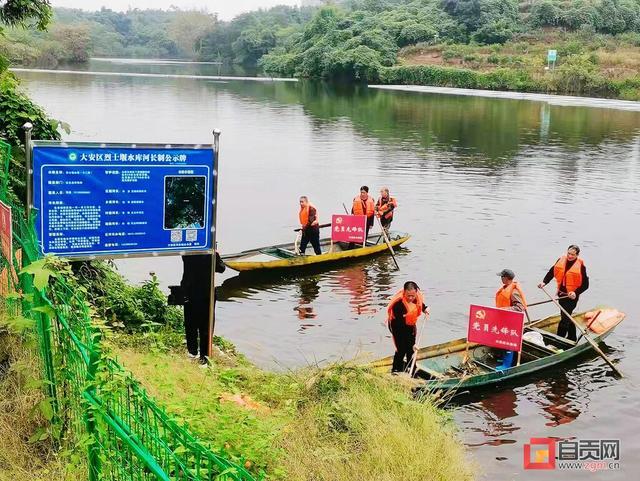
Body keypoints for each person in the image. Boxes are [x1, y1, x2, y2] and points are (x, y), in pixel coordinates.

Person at [181, 251, 226, 364]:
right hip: (207, 293)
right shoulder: (211, 254)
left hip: (189, 291)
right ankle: (204, 358)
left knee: (190, 323)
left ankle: (192, 352)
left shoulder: (187, 252)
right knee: (206, 326)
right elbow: (221, 268)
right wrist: (217, 255)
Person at [538, 245, 589, 341]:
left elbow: (586, 285)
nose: (570, 256)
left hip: (572, 297)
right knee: (566, 315)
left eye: (572, 255)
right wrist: (544, 282)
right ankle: (572, 337)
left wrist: (575, 293)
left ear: (577, 255)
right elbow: (551, 272)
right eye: (569, 253)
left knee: (564, 320)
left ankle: (558, 340)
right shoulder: (561, 260)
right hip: (561, 294)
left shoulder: (581, 266)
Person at [386, 281, 429, 374]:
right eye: (408, 295)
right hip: (397, 326)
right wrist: (409, 342)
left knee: (411, 350)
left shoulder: (416, 297)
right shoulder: (398, 304)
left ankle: (412, 369)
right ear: (404, 292)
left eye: (412, 296)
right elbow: (400, 325)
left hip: (410, 326)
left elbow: (420, 304)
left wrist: (425, 309)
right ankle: (396, 370)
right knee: (401, 349)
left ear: (416, 293)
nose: (410, 298)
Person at [495, 269, 527, 369]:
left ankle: (507, 364)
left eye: (502, 277)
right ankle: (502, 357)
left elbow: (520, 307)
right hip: (504, 320)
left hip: (511, 321)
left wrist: (504, 309)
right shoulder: (505, 288)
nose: (501, 279)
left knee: (509, 342)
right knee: (502, 339)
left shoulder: (513, 292)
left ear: (506, 278)